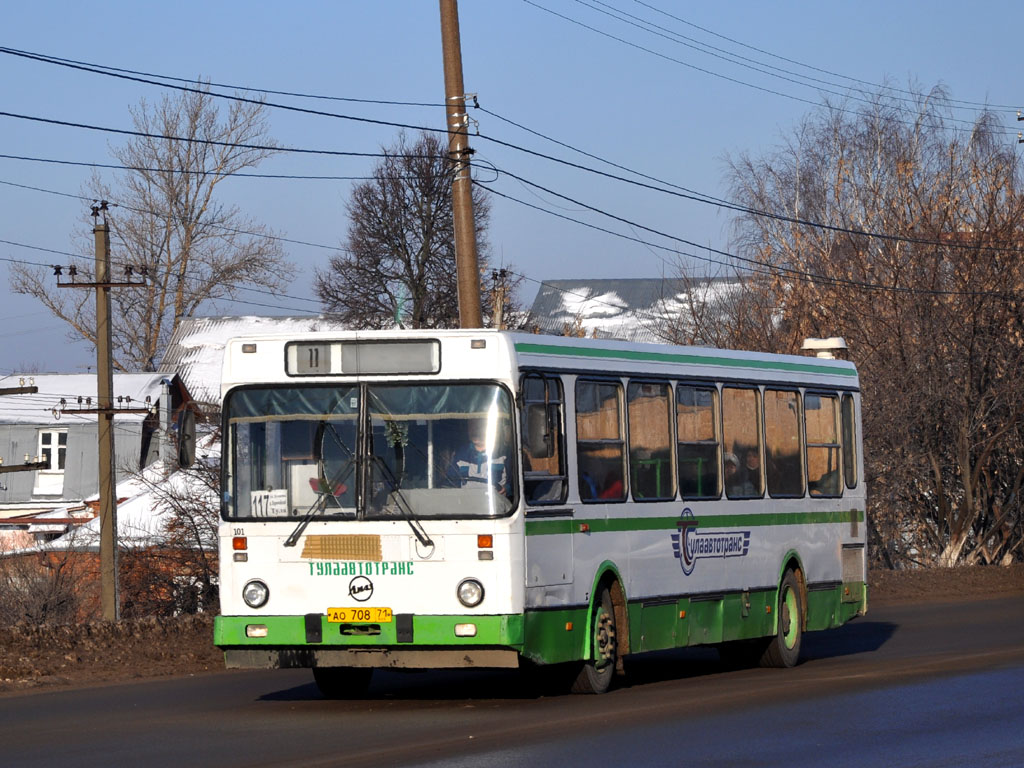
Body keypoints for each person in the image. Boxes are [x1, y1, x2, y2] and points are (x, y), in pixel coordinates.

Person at [453, 420, 507, 493]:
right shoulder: (461, 453)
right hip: (465, 501)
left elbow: (514, 483)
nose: (474, 429)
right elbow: (451, 481)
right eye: (471, 425)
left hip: (495, 502)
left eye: (478, 425)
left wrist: (506, 489)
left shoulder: (503, 453)